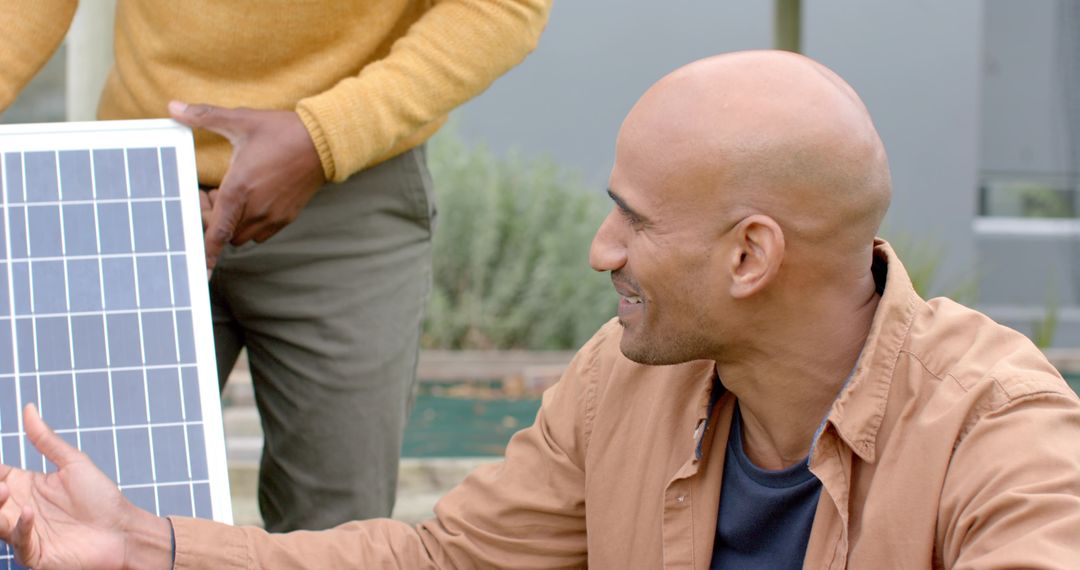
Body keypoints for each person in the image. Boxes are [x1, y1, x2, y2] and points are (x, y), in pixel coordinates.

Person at [2, 49, 1080, 569]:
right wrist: (147, 545)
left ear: (751, 255)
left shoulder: (999, 429)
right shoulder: (623, 380)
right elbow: (443, 564)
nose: (601, 249)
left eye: (633, 220)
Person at [0, 0, 552, 532]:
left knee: (333, 534)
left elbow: (500, 7)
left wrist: (325, 137)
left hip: (347, 193)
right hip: (140, 184)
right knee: (79, 512)